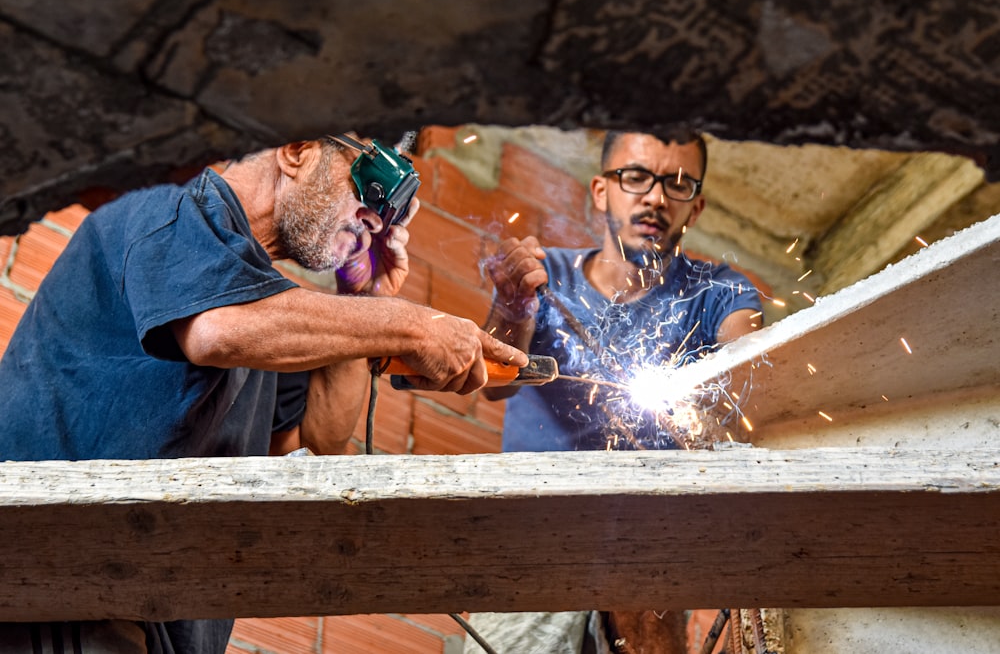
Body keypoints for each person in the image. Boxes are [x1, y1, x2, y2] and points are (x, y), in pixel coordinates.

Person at [0, 134, 526, 654]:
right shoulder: (171, 202)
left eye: (389, 211)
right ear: (296, 149)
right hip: (52, 583)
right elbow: (216, 331)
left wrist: (365, 300)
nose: (376, 218)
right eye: (372, 183)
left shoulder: (268, 314)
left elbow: (315, 442)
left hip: (146, 614)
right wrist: (413, 326)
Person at [468, 127, 762, 653]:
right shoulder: (545, 276)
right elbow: (491, 387)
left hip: (654, 541)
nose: (654, 197)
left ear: (695, 208)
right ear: (602, 190)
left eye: (677, 184)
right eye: (636, 177)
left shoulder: (720, 292)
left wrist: (725, 395)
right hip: (536, 532)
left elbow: (756, 373)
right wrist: (512, 303)